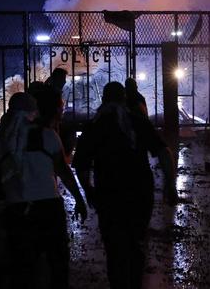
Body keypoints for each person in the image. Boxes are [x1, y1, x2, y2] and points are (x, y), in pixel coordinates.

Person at [0, 92, 87, 289]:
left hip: (18, 211)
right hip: (49, 207)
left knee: (23, 268)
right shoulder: (48, 136)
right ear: (33, 113)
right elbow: (63, 170)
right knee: (57, 265)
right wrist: (79, 199)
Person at [73, 81, 176, 289]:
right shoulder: (137, 121)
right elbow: (164, 153)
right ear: (124, 99)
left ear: (103, 99)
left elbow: (81, 165)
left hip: (109, 194)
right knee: (136, 244)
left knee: (114, 249)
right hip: (140, 193)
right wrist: (170, 185)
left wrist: (87, 190)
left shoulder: (95, 125)